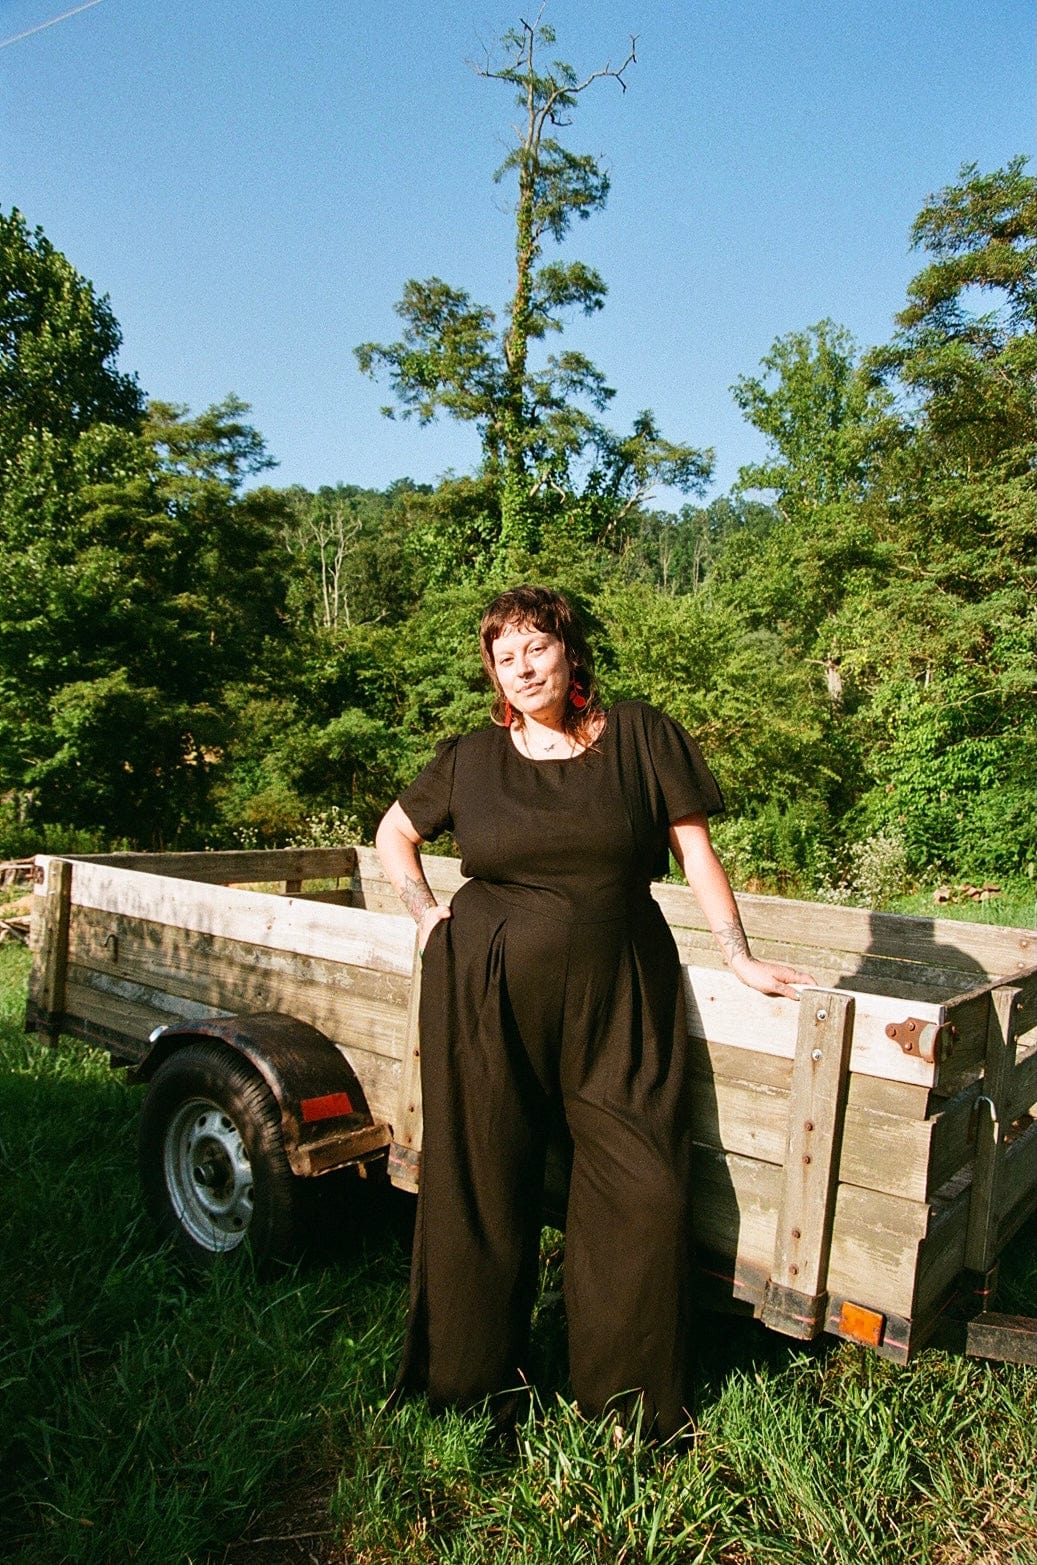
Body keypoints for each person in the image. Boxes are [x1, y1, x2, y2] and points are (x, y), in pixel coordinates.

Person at [375, 585, 815, 1438]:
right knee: (480, 1179)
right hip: (484, 990)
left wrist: (737, 955)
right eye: (504, 657)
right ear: (494, 674)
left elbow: (695, 853)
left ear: (568, 652)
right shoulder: (470, 757)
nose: (522, 667)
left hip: (621, 989)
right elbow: (395, 833)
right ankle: (469, 1389)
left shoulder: (641, 736)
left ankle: (625, 1407)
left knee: (641, 1186)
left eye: (535, 647)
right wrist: (425, 913)